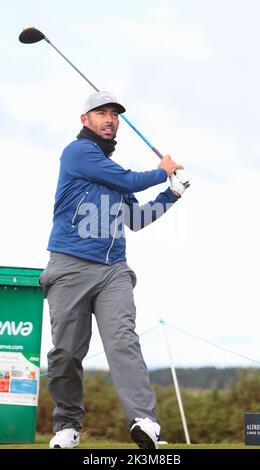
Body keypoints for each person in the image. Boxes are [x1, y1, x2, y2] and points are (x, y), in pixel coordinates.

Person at [39, 91, 189, 449]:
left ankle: (143, 421)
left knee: (123, 341)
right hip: (69, 265)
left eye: (114, 114)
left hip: (113, 270)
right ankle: (68, 425)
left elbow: (135, 219)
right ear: (85, 120)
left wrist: (172, 195)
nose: (109, 119)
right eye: (101, 113)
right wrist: (162, 171)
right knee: (67, 352)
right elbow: (129, 181)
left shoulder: (114, 173)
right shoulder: (77, 154)